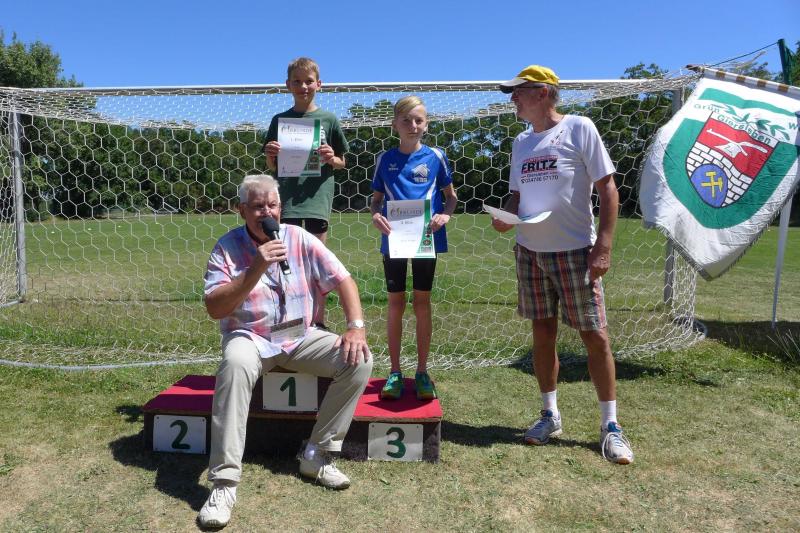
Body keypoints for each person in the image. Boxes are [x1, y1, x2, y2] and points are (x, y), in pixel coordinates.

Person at [197, 174, 372, 528]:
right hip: (250, 336)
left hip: (299, 335)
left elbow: (343, 279)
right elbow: (215, 308)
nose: (267, 213)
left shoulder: (298, 237)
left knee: (358, 359)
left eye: (273, 205)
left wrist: (356, 326)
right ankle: (224, 483)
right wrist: (256, 267)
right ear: (241, 210)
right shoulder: (226, 248)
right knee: (234, 364)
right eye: (258, 207)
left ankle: (317, 454)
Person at [491, 65, 634, 464]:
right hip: (529, 252)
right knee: (542, 333)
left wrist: (603, 245)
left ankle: (610, 426)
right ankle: (549, 414)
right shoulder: (521, 142)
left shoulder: (579, 127)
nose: (513, 98)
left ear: (543, 93)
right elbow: (517, 195)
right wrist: (506, 216)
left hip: (575, 251)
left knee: (595, 335)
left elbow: (608, 189)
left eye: (519, 91)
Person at [369, 95, 457, 401]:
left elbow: (451, 197)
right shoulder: (385, 159)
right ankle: (394, 372)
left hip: (425, 239)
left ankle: (421, 371)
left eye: (418, 120)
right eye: (406, 120)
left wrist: (445, 215)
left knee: (422, 302)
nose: (413, 125)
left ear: (427, 124)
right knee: (395, 303)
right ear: (394, 124)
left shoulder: (436, 156)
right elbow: (376, 201)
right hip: (394, 239)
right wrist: (376, 216)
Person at [263, 57, 349, 329]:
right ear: (288, 85)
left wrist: (331, 158)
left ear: (319, 84)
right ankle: (289, 321)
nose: (303, 86)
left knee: (316, 261)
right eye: (297, 81)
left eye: (308, 81)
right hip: (287, 201)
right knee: (285, 262)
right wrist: (271, 155)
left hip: (316, 201)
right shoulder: (279, 121)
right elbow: (272, 166)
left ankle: (317, 321)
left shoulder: (329, 120)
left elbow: (342, 162)